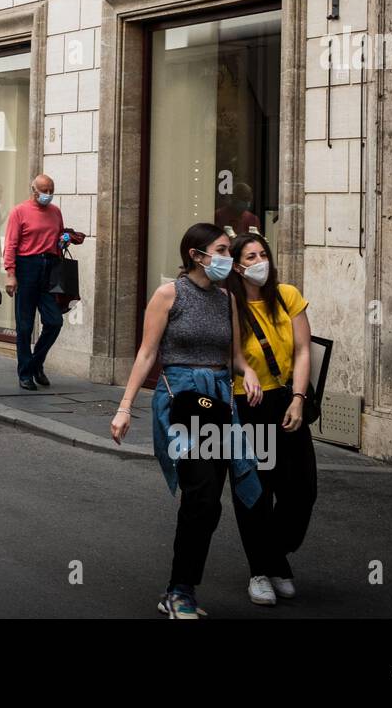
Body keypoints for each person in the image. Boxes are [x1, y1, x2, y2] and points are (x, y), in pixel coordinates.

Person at [110, 223, 263, 619]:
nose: (228, 258)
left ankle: (182, 586)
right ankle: (180, 591)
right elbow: (146, 353)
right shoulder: (169, 294)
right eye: (223, 250)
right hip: (182, 399)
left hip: (218, 399)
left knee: (210, 502)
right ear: (197, 256)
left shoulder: (227, 298)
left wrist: (246, 370)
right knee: (201, 495)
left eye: (230, 251)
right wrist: (125, 406)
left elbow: (231, 352)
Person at [226, 233, 317, 607]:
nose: (260, 260)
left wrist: (298, 399)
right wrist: (245, 369)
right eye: (251, 256)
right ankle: (261, 571)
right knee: (257, 490)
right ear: (237, 265)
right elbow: (230, 352)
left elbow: (302, 349)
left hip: (284, 398)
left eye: (263, 253)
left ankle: (274, 556)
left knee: (301, 490)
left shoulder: (288, 295)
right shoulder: (229, 302)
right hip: (247, 402)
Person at [3, 174, 83, 391]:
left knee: (54, 321)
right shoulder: (19, 211)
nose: (48, 194)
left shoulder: (55, 212)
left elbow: (58, 237)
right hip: (27, 266)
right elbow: (10, 244)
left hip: (50, 267)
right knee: (25, 325)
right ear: (34, 190)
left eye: (51, 190)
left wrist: (65, 239)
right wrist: (11, 274)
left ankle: (36, 363)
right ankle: (25, 373)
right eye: (44, 190)